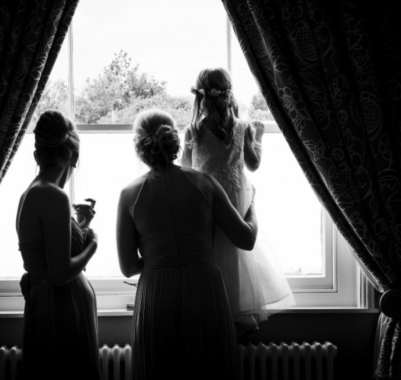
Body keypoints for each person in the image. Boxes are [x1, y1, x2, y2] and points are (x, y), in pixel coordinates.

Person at [116, 109, 258, 380]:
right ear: (174, 140)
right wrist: (251, 205)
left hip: (157, 294)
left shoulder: (129, 194)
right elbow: (247, 239)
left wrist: (161, 259)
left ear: (139, 147)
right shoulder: (204, 183)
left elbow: (128, 267)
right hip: (204, 289)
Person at [181, 67, 295, 337]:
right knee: (236, 253)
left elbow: (186, 168)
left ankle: (214, 310)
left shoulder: (193, 130)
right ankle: (237, 312)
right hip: (235, 195)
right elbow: (253, 165)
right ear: (228, 93)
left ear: (201, 96)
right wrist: (259, 140)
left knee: (211, 251)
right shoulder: (242, 127)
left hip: (206, 197)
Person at [16, 110, 101, 380]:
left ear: (38, 153)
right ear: (73, 156)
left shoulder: (31, 193)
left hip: (50, 305)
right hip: (61, 310)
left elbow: (48, 252)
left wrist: (82, 226)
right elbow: (60, 273)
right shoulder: (53, 195)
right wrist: (93, 245)